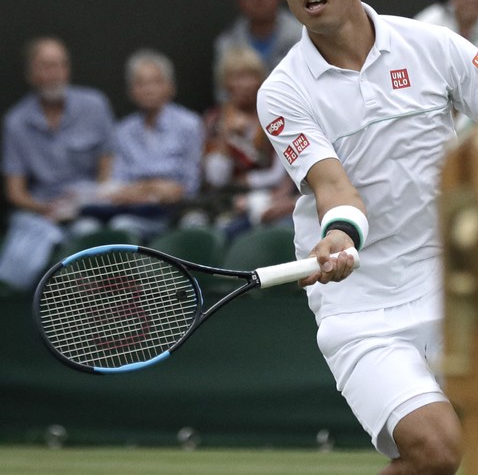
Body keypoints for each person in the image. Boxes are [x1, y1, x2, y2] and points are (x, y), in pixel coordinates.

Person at [257, 0, 478, 475]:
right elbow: (333, 186)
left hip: (458, 282)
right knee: (436, 450)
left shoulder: (435, 47)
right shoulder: (283, 90)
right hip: (362, 306)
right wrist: (338, 234)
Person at [0, 37, 114, 291]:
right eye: (46, 66)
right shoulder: (16, 122)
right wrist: (45, 208)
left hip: (90, 208)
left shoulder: (95, 105)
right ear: (30, 74)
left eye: (61, 65)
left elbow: (109, 163)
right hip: (42, 213)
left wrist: (95, 197)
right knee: (28, 241)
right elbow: (15, 192)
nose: (55, 74)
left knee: (91, 230)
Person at [85, 49, 204, 242]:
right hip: (131, 210)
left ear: (170, 87)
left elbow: (189, 185)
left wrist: (142, 189)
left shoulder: (189, 125)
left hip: (175, 212)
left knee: (124, 227)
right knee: (102, 227)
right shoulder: (122, 130)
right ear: (131, 91)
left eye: (156, 82)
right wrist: (155, 188)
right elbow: (116, 186)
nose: (148, 89)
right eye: (141, 83)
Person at [200, 45, 296, 240]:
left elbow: (280, 174)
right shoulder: (214, 120)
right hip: (226, 202)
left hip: (271, 198)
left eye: (250, 76)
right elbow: (216, 178)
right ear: (225, 83)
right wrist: (225, 138)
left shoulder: (275, 114)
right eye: (236, 77)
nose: (244, 84)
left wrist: (248, 183)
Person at [213, 0, 304, 101]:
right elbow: (223, 95)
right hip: (245, 115)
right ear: (239, 0)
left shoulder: (302, 34)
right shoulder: (228, 43)